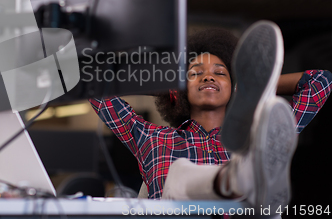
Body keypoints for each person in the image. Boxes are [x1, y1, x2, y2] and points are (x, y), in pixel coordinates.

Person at [89, 21, 332, 213]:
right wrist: (166, 84)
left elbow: (320, 81)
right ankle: (242, 178)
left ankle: (247, 183)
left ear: (233, 86)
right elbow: (93, 83)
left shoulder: (262, 135)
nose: (208, 77)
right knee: (178, 174)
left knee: (260, 149)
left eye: (220, 73)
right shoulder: (151, 138)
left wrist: (251, 86)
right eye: (196, 73)